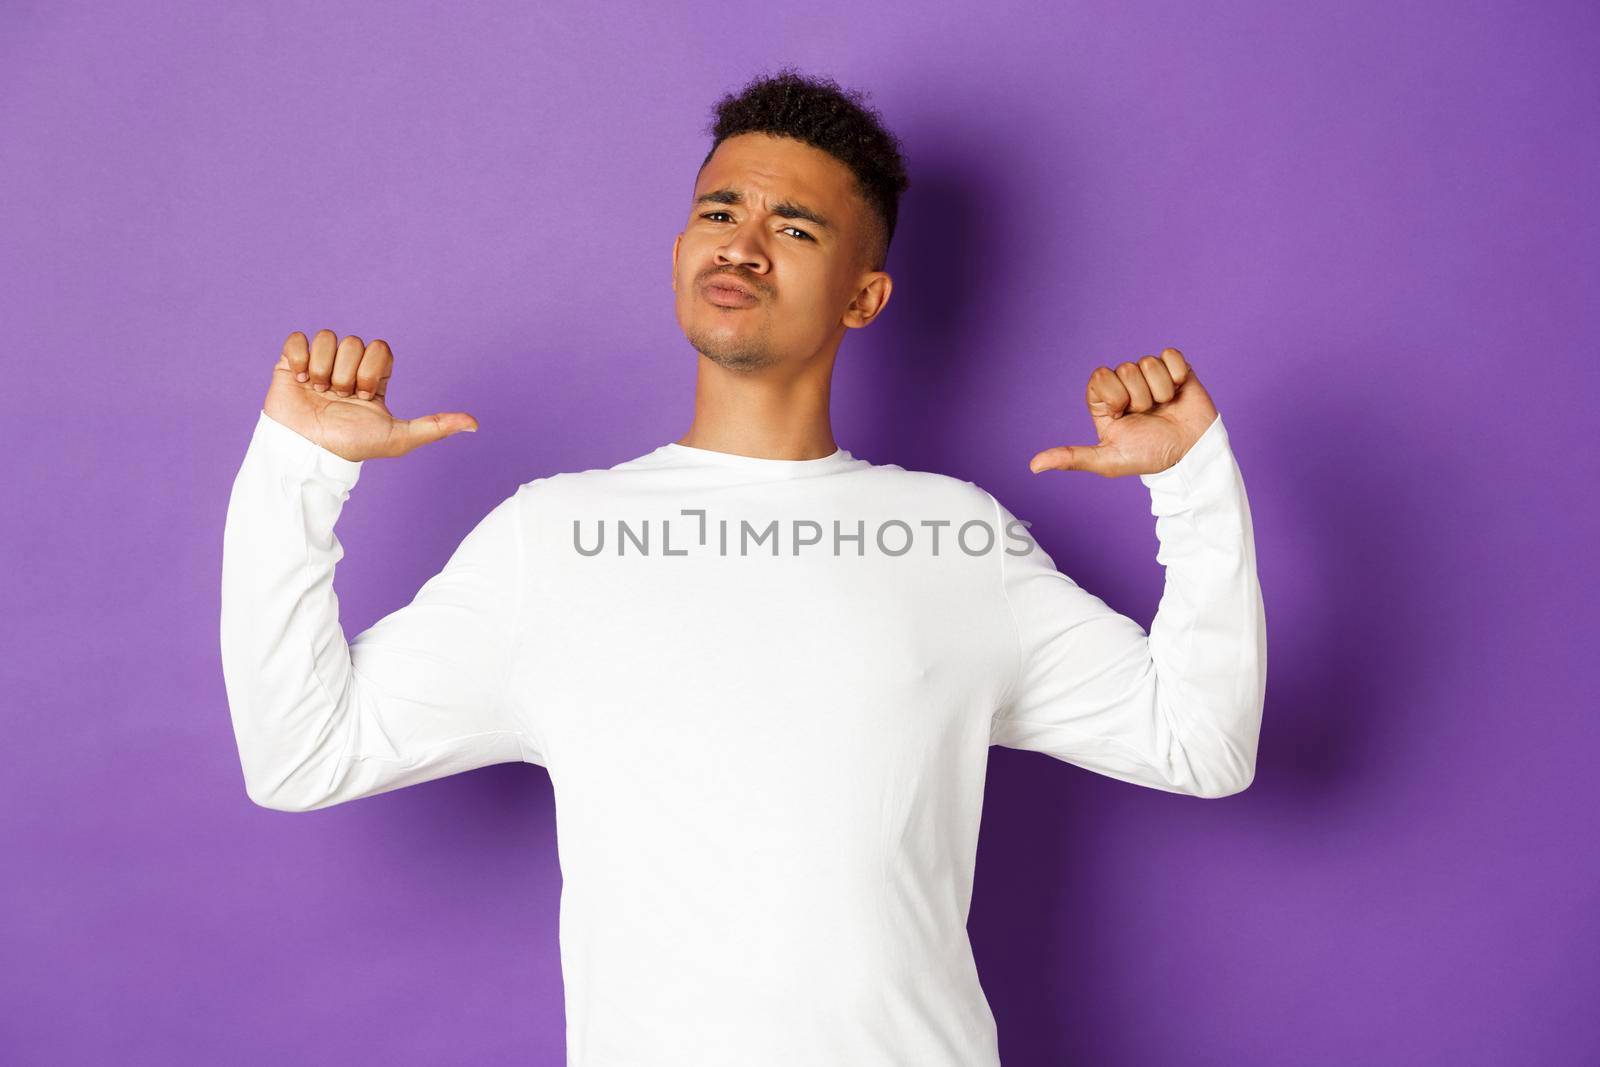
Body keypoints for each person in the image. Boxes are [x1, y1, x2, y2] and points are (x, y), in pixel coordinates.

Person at [220, 66, 1266, 1067]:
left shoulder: (954, 537)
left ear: (864, 297)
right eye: (721, 214)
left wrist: (1191, 487)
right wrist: (298, 471)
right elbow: (301, 753)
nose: (744, 246)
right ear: (678, 247)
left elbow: (1198, 742)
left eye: (795, 227)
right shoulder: (552, 538)